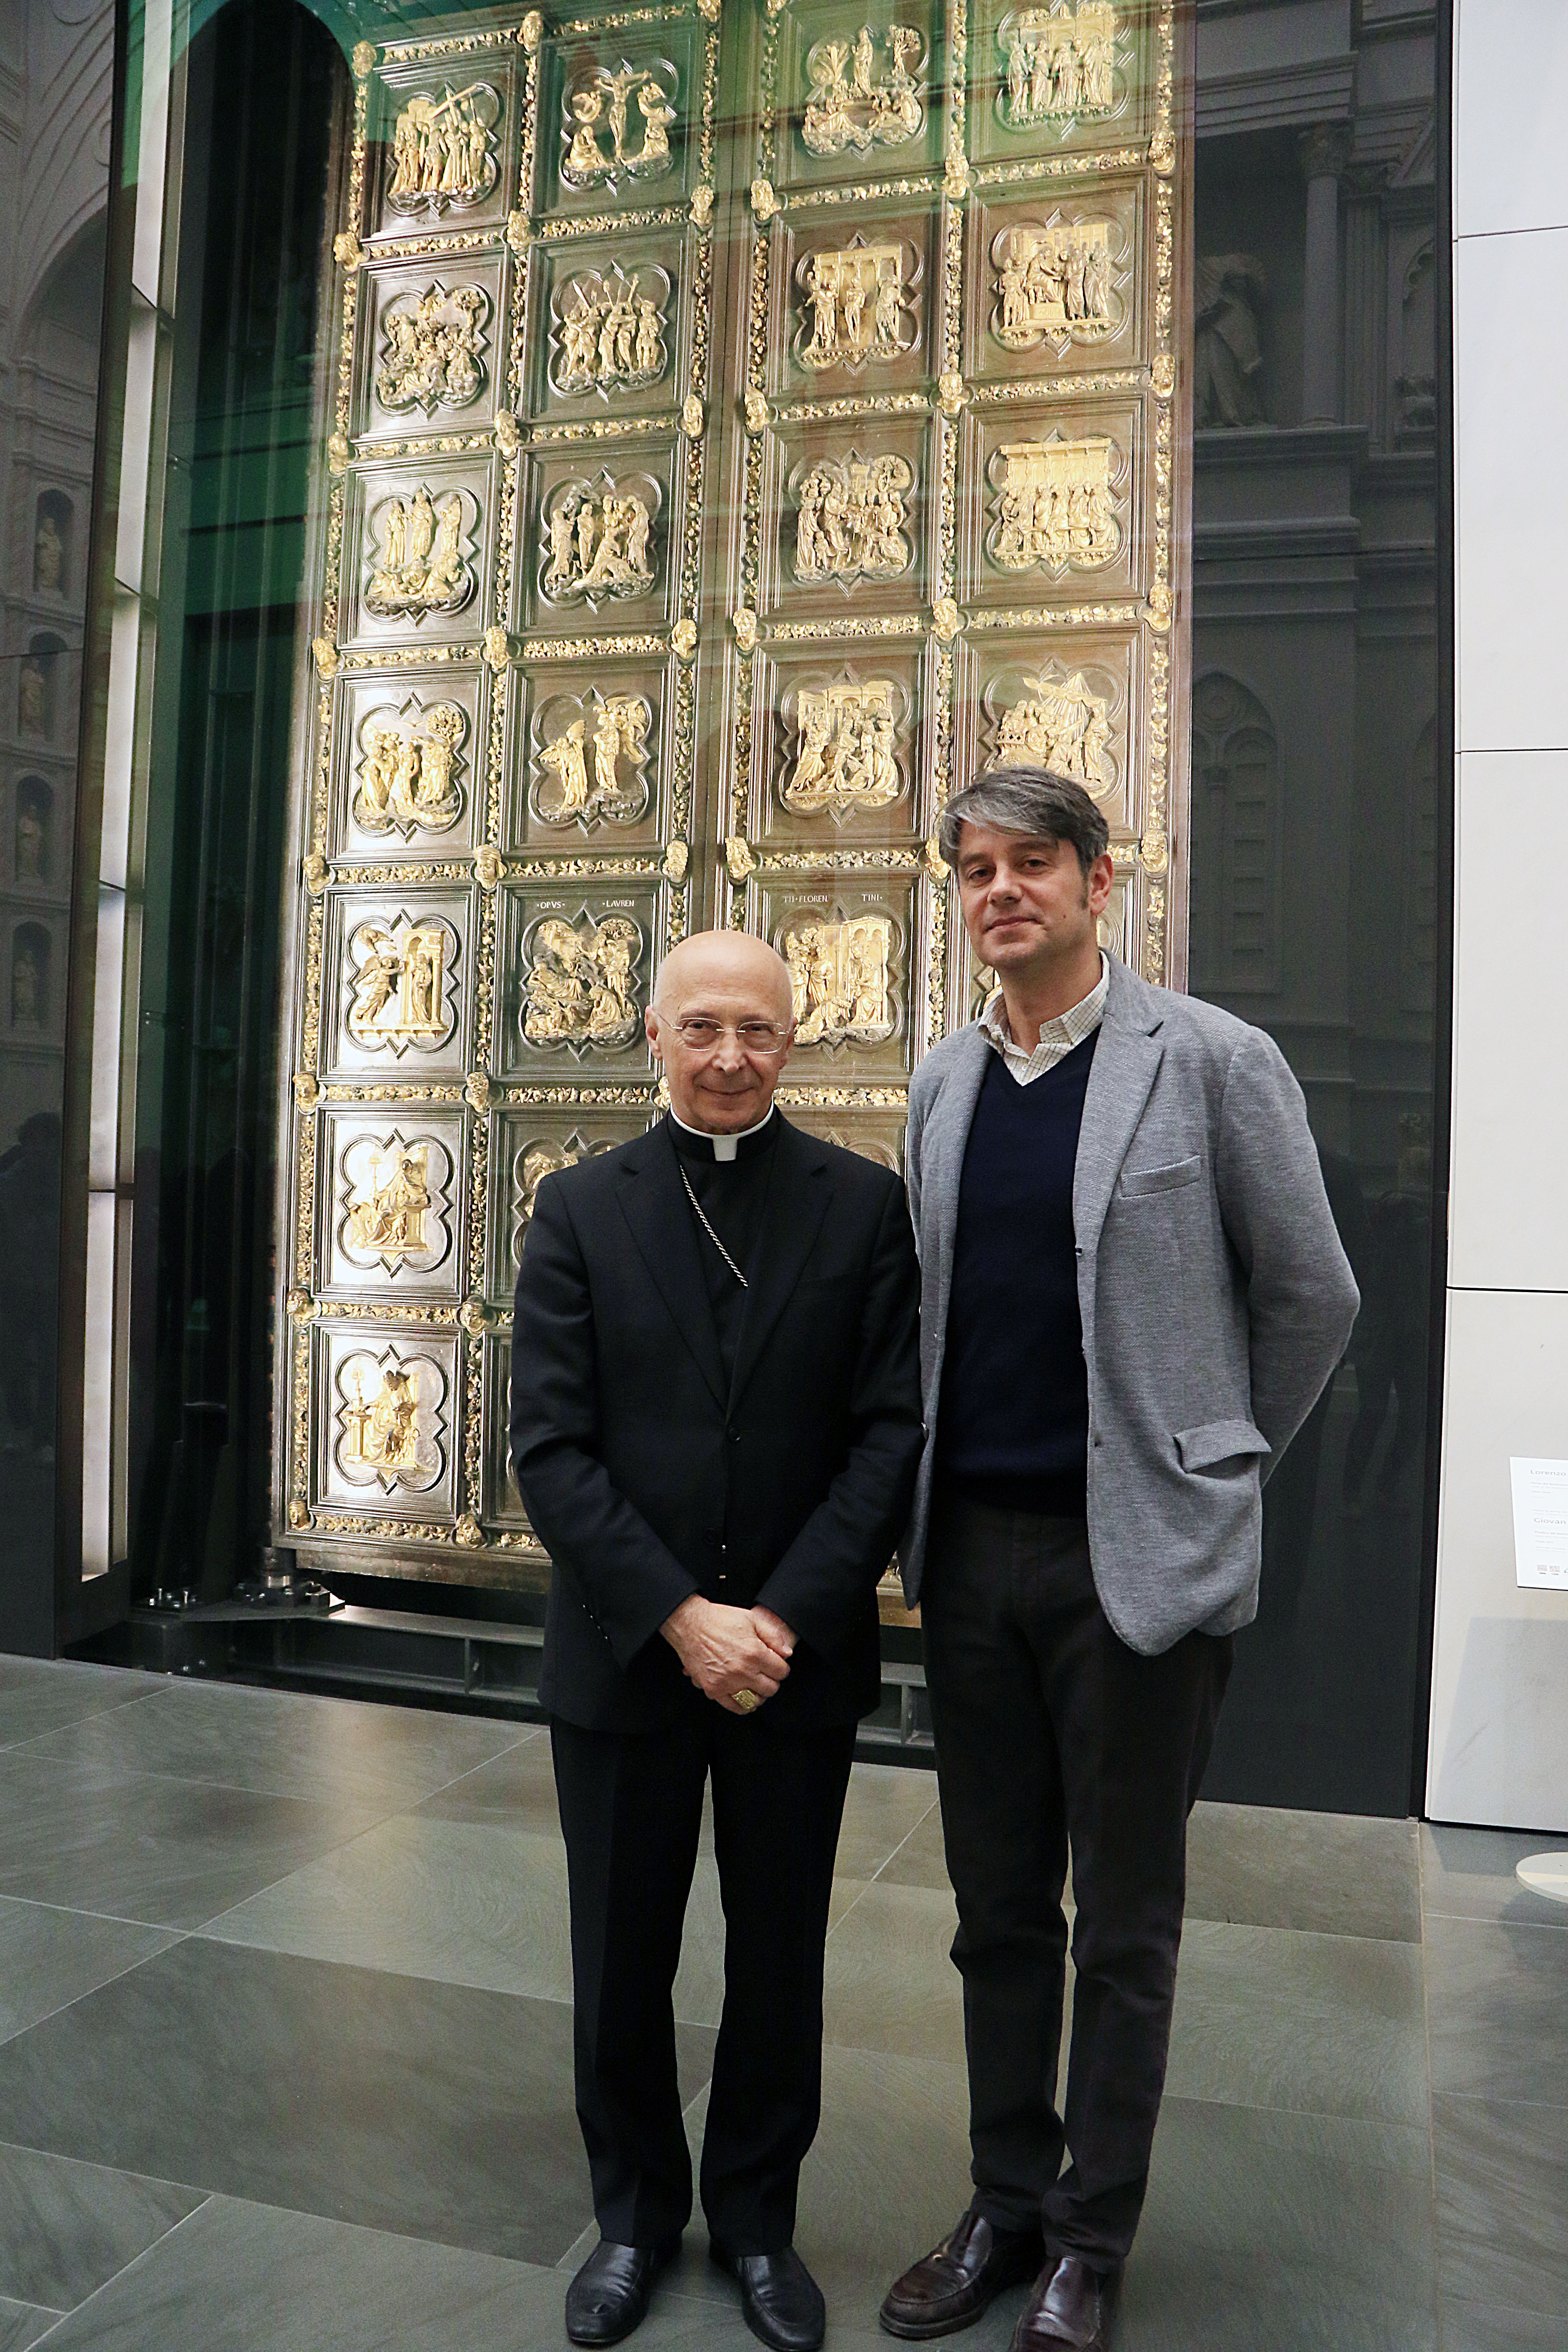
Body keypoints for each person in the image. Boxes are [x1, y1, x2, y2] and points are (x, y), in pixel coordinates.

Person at [879, 769, 1358, 2352]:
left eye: (1032, 865)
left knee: (1126, 1924)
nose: (1000, 892)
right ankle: (1004, 2204)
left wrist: (1214, 1467)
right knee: (994, 1911)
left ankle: (1093, 2239)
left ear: (1099, 881)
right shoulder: (944, 1083)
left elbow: (1312, 1297)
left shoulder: (1213, 1061)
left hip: (1134, 1569)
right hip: (974, 1557)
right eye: (976, 871)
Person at [511, 929, 923, 2352]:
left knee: (779, 1958)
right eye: (703, 1029)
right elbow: (552, 1452)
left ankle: (756, 2222)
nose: (730, 1054)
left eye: (756, 1029)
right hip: (630, 1658)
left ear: (794, 1040)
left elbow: (887, 1439)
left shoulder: (865, 1208)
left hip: (793, 1665)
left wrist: (781, 1622)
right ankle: (631, 2218)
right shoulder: (575, 1207)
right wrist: (683, 1619)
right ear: (653, 1036)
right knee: (620, 1956)